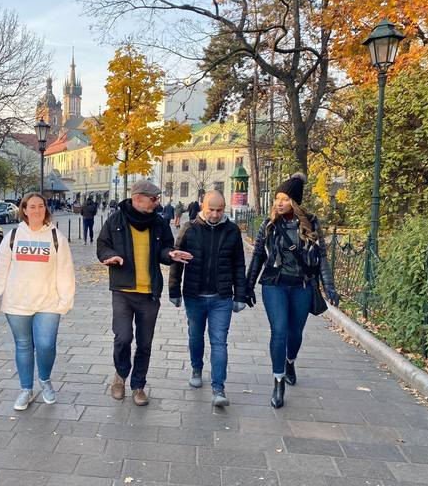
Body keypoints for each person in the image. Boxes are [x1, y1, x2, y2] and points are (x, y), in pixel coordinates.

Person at [246, 173, 341, 409]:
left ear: (295, 202)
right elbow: (258, 255)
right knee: (279, 331)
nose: (279, 203)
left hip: (302, 286)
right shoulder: (268, 225)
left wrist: (328, 285)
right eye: (277, 198)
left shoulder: (310, 222)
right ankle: (278, 381)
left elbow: (321, 257)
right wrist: (247, 286)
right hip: (274, 284)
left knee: (295, 333)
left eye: (285, 199)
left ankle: (290, 361)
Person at [96, 179, 192, 406]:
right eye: (153, 199)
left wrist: (170, 255)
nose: (157, 203)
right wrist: (109, 256)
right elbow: (102, 245)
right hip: (123, 290)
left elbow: (165, 248)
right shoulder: (116, 219)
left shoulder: (158, 222)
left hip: (149, 293)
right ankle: (120, 375)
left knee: (144, 342)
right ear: (137, 197)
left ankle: (138, 386)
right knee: (123, 338)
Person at [0, 193, 75, 410]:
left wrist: (65, 301)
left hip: (48, 302)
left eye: (41, 206)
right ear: (24, 210)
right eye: (32, 207)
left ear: (46, 209)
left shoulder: (56, 237)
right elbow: (0, 267)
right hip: (17, 302)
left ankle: (44, 379)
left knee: (46, 344)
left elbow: (65, 272)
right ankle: (26, 389)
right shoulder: (14, 235)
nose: (37, 210)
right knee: (23, 346)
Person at [169, 191, 247, 407]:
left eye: (219, 210)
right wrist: (174, 290)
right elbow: (176, 261)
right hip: (194, 295)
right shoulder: (189, 228)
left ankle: (218, 388)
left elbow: (239, 264)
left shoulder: (232, 231)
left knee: (219, 342)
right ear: (202, 206)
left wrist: (240, 294)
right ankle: (196, 367)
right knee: (195, 335)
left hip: (221, 297)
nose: (214, 214)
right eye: (211, 209)